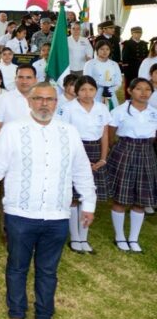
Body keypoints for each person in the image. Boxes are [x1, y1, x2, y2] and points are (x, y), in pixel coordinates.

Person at [0, 82, 96, 319]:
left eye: (50, 99)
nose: (44, 103)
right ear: (29, 102)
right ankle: (16, 314)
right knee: (17, 266)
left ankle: (44, 317)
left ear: (57, 103)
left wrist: (89, 203)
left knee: (48, 270)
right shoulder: (12, 130)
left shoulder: (69, 132)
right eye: (39, 99)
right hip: (21, 213)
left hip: (56, 215)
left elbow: (81, 171)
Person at [56, 76, 110, 253]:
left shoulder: (102, 108)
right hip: (75, 150)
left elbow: (104, 135)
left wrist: (102, 158)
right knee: (73, 197)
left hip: (95, 150)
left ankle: (84, 237)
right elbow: (62, 135)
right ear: (76, 91)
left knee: (88, 194)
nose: (87, 94)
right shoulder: (67, 108)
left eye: (91, 90)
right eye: (83, 90)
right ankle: (75, 238)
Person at [107, 78, 157, 253]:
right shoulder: (119, 111)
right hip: (125, 151)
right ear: (129, 90)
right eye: (139, 89)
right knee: (121, 197)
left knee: (141, 200)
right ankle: (120, 236)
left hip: (146, 153)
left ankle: (134, 238)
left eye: (147, 90)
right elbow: (111, 135)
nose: (144, 93)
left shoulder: (154, 112)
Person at [84, 40, 122, 109]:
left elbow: (118, 80)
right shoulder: (90, 64)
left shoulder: (114, 64)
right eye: (102, 49)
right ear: (97, 50)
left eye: (107, 49)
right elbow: (87, 81)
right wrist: (101, 85)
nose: (105, 51)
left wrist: (111, 89)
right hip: (95, 95)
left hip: (111, 94)